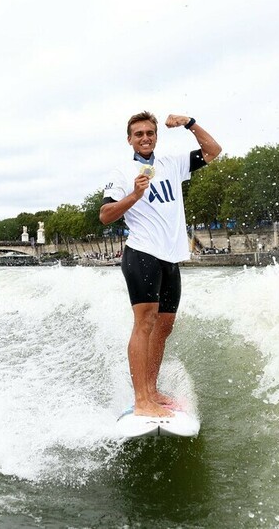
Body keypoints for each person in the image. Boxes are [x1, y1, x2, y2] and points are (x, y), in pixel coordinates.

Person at [100, 111, 222, 417]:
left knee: (164, 326)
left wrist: (190, 124)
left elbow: (213, 151)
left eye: (149, 133)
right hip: (142, 252)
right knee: (145, 323)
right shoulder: (121, 172)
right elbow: (106, 215)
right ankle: (142, 400)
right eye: (138, 134)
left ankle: (152, 390)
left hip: (171, 257)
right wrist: (135, 194)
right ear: (129, 139)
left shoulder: (172, 164)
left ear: (156, 136)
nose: (144, 138)